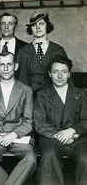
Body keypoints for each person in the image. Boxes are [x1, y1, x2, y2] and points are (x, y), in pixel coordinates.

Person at [0, 52, 37, 185]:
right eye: (2, 64)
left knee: (31, 159)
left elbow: (29, 121)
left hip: (18, 137)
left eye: (9, 64)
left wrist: (13, 134)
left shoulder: (26, 90)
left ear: (15, 66)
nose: (5, 68)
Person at [34, 56, 87, 185]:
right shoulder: (42, 95)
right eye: (55, 71)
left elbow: (86, 119)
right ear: (49, 74)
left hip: (78, 138)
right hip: (51, 138)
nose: (59, 75)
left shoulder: (80, 94)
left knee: (85, 158)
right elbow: (39, 123)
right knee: (49, 155)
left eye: (63, 71)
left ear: (69, 74)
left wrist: (72, 130)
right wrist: (60, 135)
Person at [16, 12, 68, 97]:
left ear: (47, 25)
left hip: (54, 98)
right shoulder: (23, 52)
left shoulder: (58, 50)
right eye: (34, 25)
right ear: (30, 28)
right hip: (30, 99)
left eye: (41, 23)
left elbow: (68, 80)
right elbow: (18, 80)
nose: (37, 27)